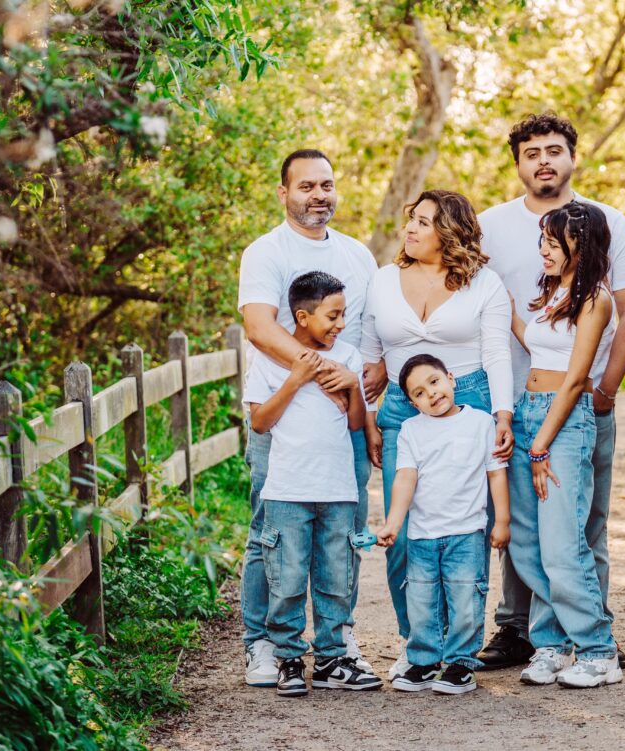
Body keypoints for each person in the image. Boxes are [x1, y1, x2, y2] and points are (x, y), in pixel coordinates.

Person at [478, 113, 625, 670]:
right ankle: (530, 635)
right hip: (512, 405)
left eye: (554, 150)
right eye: (532, 153)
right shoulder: (491, 225)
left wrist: (603, 392)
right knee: (526, 533)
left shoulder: (607, 224)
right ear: (518, 163)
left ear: (572, 156)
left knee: (579, 527)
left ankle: (593, 636)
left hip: (576, 407)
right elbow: (487, 305)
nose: (544, 160)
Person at [238, 150, 378, 687]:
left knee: (341, 535)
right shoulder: (265, 252)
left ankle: (337, 643)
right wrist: (320, 373)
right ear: (284, 193)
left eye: (327, 185)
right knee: (270, 536)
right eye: (307, 186)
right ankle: (264, 644)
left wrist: (364, 399)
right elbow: (260, 327)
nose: (319, 195)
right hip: (288, 419)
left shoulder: (357, 255)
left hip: (343, 422)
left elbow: (367, 334)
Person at [361, 189, 514, 680]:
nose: (411, 229)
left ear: (449, 232)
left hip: (468, 403)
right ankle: (418, 643)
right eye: (412, 220)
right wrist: (369, 415)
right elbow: (370, 356)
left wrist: (503, 415)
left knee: (463, 529)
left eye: (424, 222)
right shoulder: (383, 281)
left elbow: (496, 353)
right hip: (401, 408)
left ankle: (459, 650)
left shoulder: (484, 284)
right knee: (403, 532)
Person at [507, 200, 621, 688]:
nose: (544, 251)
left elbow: (576, 379)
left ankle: (599, 651)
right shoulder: (554, 293)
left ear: (582, 245)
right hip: (530, 412)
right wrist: (495, 299)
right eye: (542, 242)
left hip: (563, 422)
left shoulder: (597, 299)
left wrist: (540, 446)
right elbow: (536, 346)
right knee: (527, 544)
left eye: (553, 243)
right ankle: (550, 644)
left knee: (562, 543)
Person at [375, 354, 510, 696]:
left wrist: (503, 520)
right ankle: (424, 659)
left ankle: (461, 663)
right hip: (422, 534)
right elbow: (405, 478)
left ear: (451, 378)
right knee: (421, 599)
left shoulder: (480, 423)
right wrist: (394, 522)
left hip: (466, 532)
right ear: (411, 402)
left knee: (465, 596)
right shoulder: (410, 431)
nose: (431, 394)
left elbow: (496, 474)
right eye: (419, 393)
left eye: (434, 382)